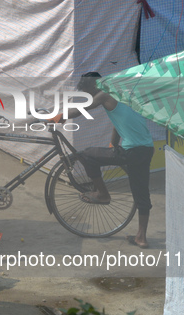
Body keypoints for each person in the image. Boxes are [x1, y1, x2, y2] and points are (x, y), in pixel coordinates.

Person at [63, 72, 155, 248]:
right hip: (146, 149)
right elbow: (119, 122)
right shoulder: (123, 96)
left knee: (87, 154)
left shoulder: (104, 95)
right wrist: (113, 145)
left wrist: (56, 116)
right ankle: (141, 238)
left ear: (95, 87)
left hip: (131, 151)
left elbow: (82, 110)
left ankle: (102, 194)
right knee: (141, 193)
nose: (89, 96)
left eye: (88, 92)